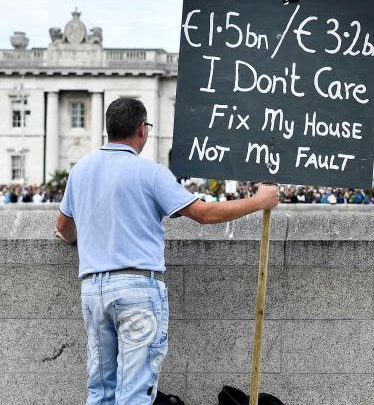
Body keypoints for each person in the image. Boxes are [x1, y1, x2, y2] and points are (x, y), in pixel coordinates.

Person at [54, 97, 280, 404]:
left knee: (100, 390)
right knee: (135, 392)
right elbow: (204, 214)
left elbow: (64, 227)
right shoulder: (149, 172)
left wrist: (83, 238)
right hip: (137, 289)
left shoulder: (80, 170)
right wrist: (259, 201)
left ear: (109, 130)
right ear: (142, 130)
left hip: (93, 288)